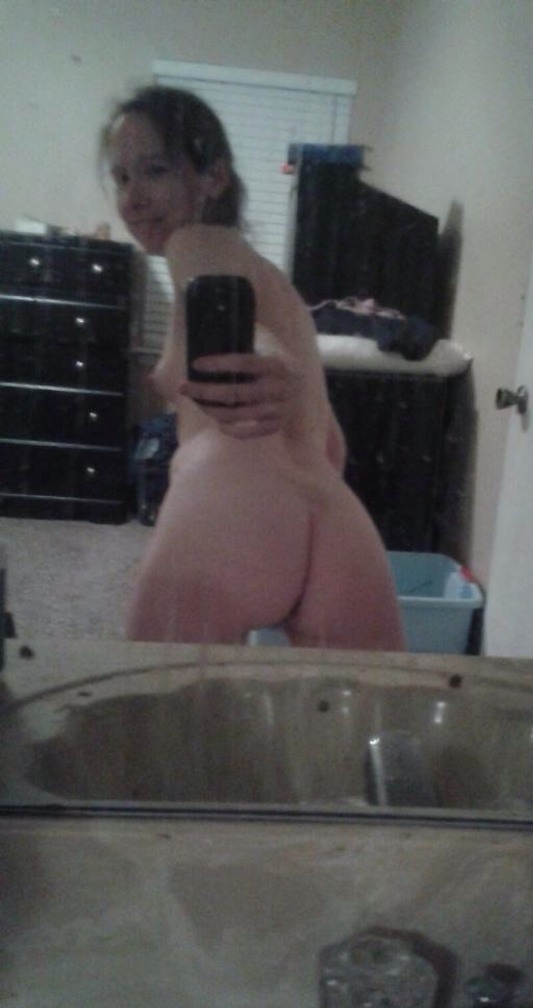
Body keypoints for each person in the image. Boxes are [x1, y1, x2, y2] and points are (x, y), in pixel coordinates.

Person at [100, 85, 405, 650]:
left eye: (155, 170)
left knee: (166, 700)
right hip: (332, 514)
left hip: (230, 504)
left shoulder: (195, 244)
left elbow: (232, 314)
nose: (132, 198)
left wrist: (261, 357)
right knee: (364, 701)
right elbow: (331, 444)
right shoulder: (272, 281)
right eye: (121, 178)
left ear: (213, 177)